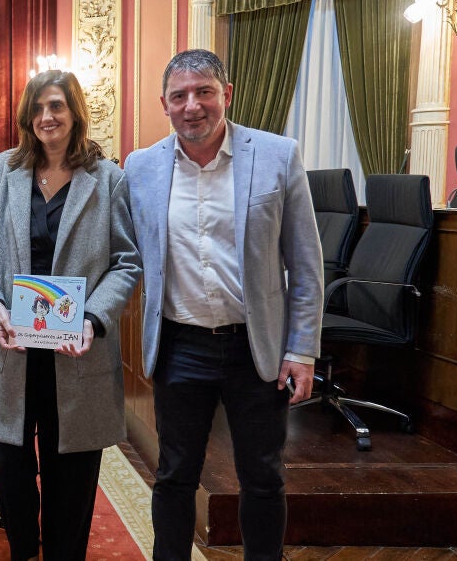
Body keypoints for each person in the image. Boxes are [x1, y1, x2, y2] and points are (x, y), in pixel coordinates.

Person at [123, 49, 323, 560]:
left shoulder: (278, 156)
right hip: (180, 346)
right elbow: (120, 255)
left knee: (262, 477)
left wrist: (301, 350)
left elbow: (306, 265)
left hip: (255, 349)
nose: (192, 105)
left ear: (226, 95)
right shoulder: (140, 167)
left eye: (204, 92)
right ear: (164, 104)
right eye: (179, 96)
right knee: (174, 476)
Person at [0, 70, 142, 560]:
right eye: (38, 108)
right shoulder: (3, 170)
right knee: (7, 466)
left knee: (74, 476)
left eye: (57, 106)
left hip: (77, 350)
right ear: (28, 116)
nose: (47, 116)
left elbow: (126, 262)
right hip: (12, 349)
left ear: (75, 112)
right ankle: (23, 548)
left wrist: (92, 318)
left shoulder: (108, 178)